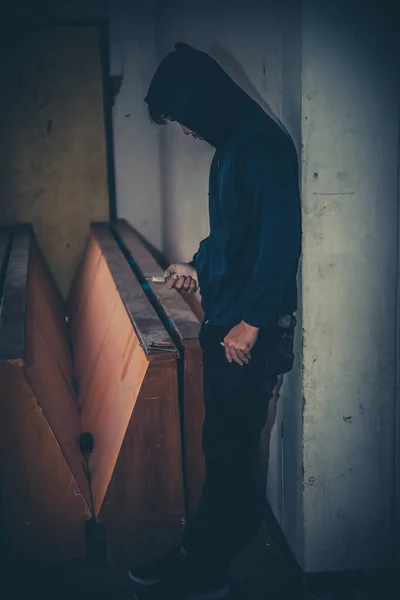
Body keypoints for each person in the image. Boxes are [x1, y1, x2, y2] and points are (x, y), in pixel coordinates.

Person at [129, 42, 301, 600]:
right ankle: (202, 549)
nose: (184, 132)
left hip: (244, 331)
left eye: (184, 119)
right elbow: (231, 238)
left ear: (205, 101)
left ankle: (208, 573)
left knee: (228, 451)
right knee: (221, 445)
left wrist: (252, 324)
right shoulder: (231, 147)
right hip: (225, 320)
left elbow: (279, 246)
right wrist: (196, 267)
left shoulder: (264, 148)